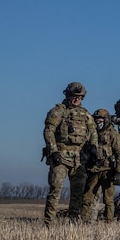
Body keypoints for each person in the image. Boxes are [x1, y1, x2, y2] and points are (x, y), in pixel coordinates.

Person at [42, 81, 98, 225]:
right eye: (74, 96)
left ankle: (73, 224)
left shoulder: (85, 114)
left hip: (79, 159)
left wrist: (94, 149)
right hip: (60, 156)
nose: (76, 99)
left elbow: (93, 132)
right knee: (55, 191)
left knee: (77, 194)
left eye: (79, 97)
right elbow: (49, 131)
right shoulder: (58, 111)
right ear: (67, 95)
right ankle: (48, 224)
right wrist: (53, 150)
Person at [81, 108, 120, 222]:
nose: (98, 122)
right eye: (96, 120)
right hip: (94, 170)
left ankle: (109, 221)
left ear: (106, 120)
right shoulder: (91, 134)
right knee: (87, 197)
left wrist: (118, 172)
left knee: (108, 199)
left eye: (100, 120)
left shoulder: (113, 135)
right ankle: (81, 221)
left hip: (108, 170)